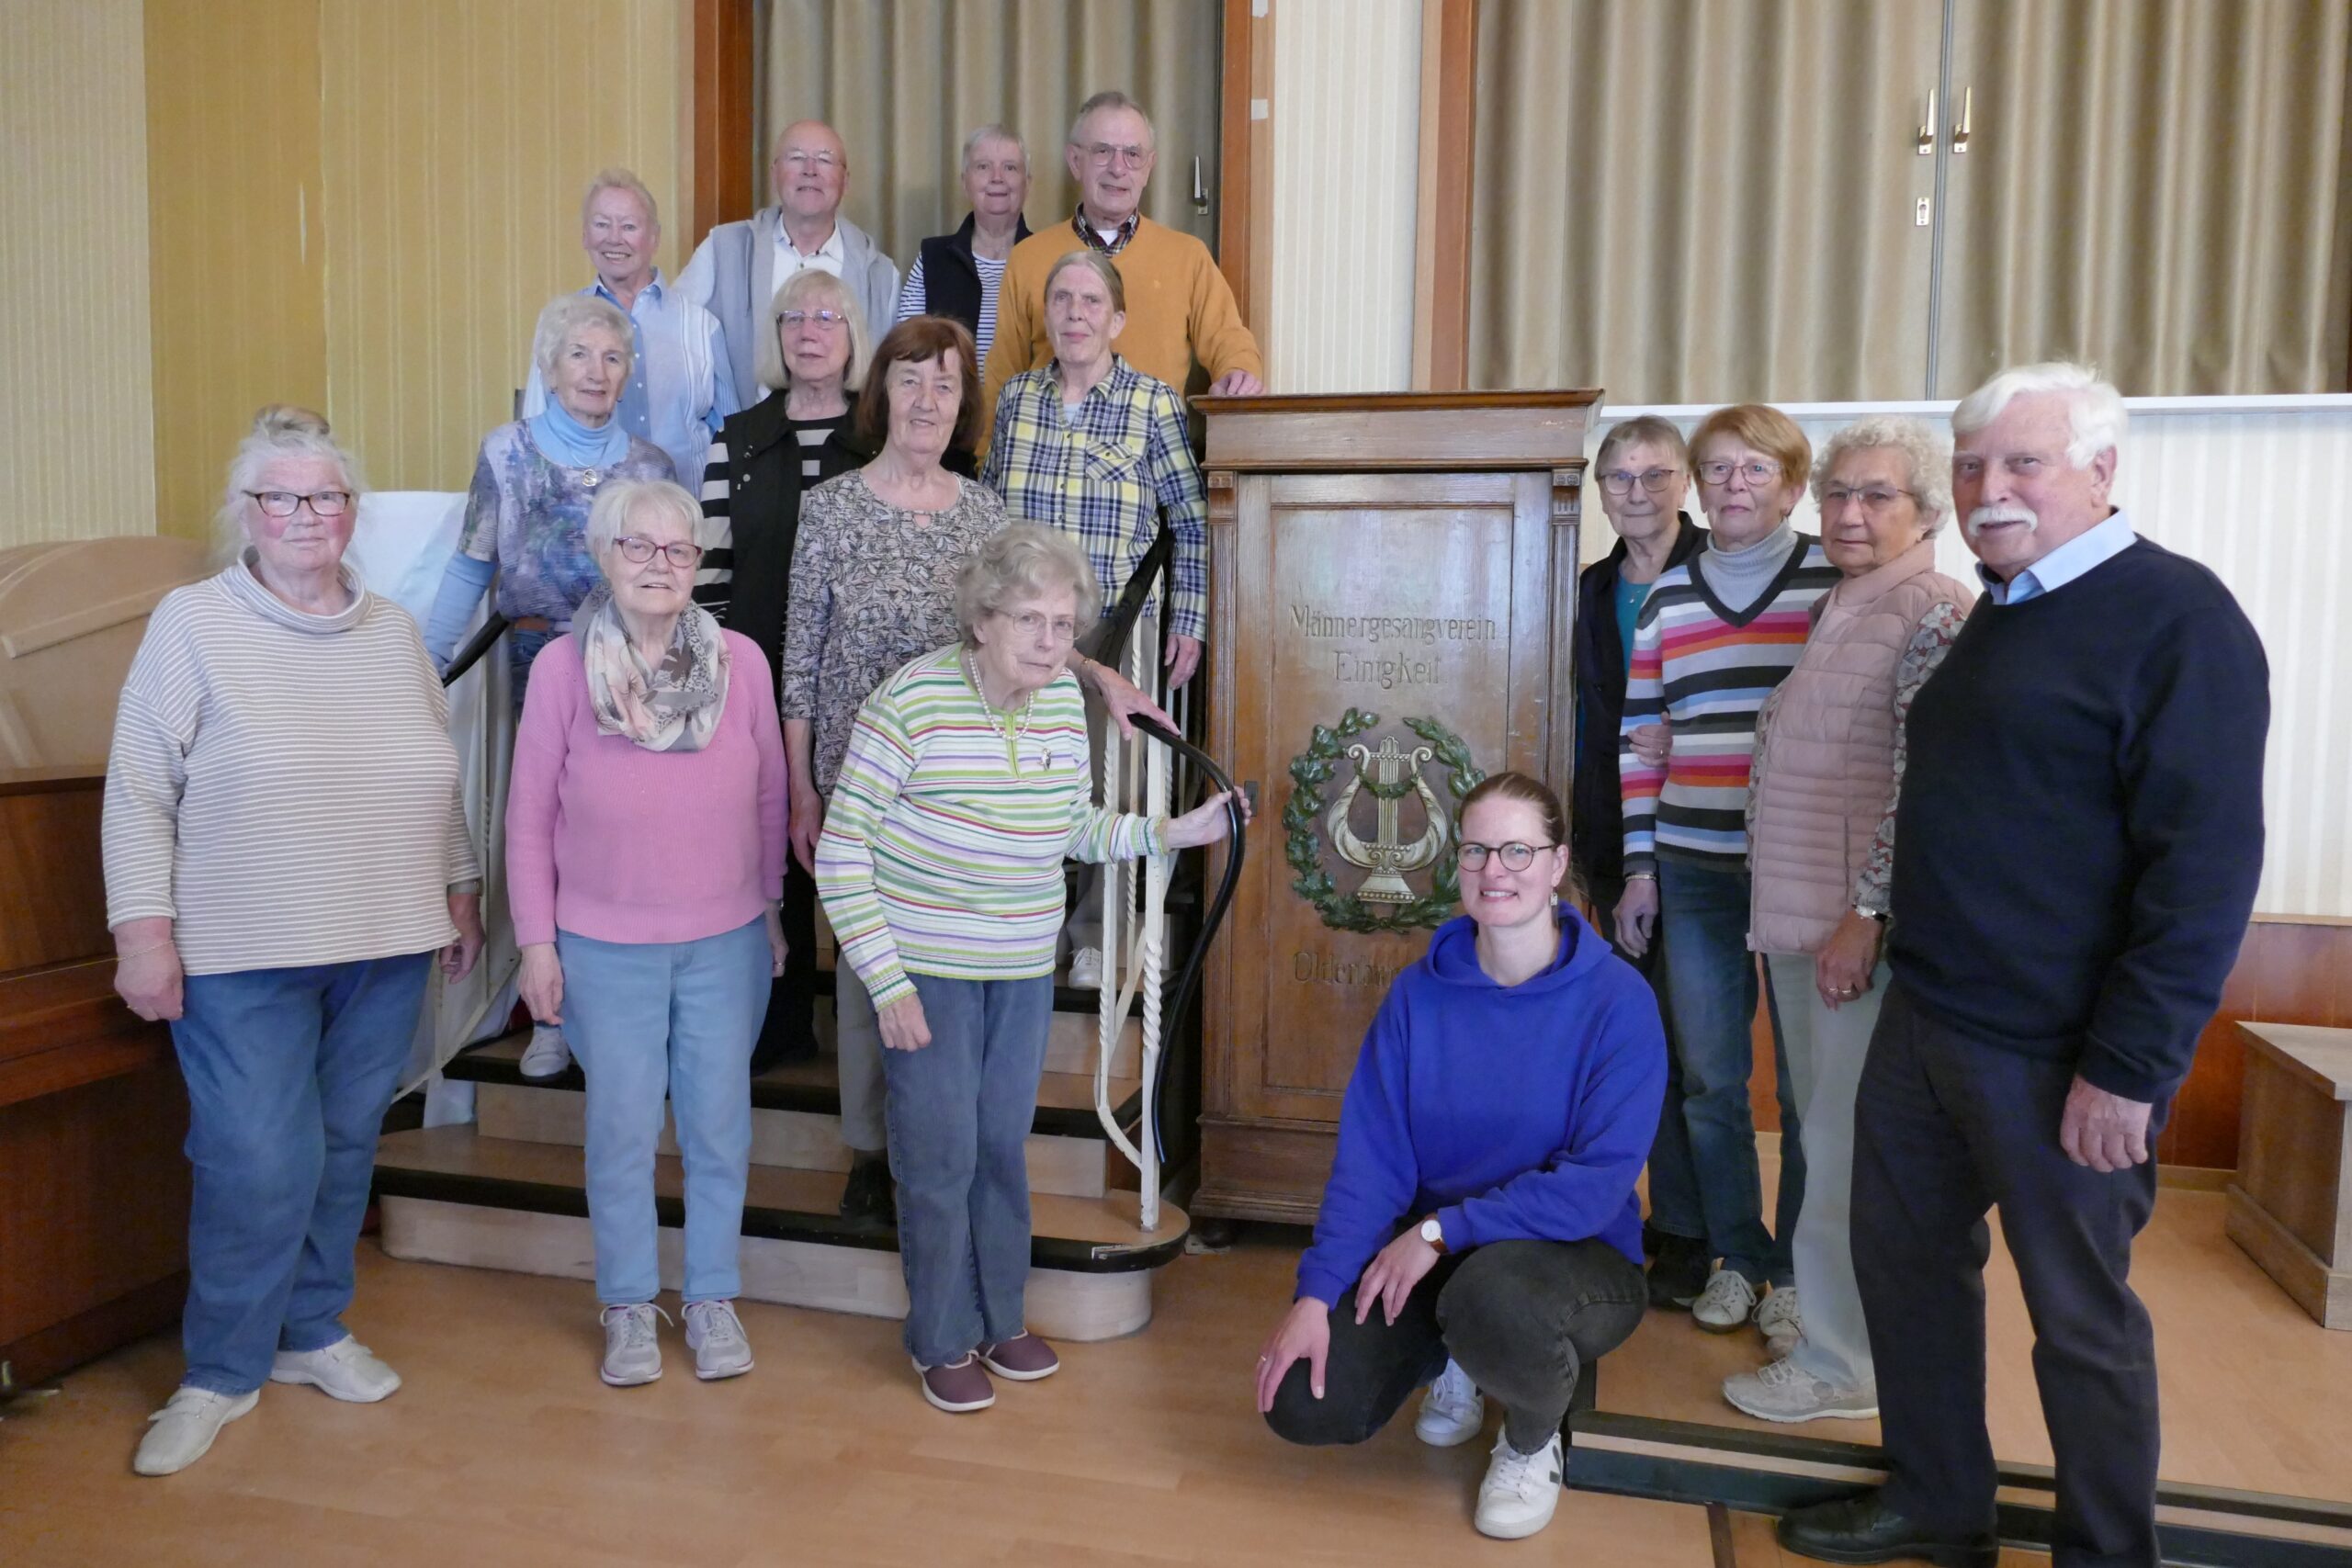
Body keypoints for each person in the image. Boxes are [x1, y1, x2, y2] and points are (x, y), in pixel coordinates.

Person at [1779, 366, 2268, 1568]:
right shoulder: (2005, 604)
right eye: (1973, 465)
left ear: (2101, 471)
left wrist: (2131, 1067)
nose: (1990, 489)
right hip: (1931, 1017)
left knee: (2081, 1322)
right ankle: (1940, 1498)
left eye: (2023, 462)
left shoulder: (2179, 621)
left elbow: (2202, 873)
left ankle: (2108, 1550)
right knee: (1905, 1268)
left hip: (2064, 1058)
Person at [102, 407, 484, 1477]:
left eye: (324, 495)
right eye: (282, 495)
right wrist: (142, 932)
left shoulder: (393, 631)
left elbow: (432, 770)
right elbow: (138, 792)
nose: (305, 514)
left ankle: (311, 1329)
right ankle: (221, 1369)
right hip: (241, 947)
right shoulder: (192, 623)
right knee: (256, 1157)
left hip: (385, 940)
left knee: (344, 1145)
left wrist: (457, 885)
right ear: (248, 513)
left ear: (350, 514)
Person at [814, 523, 1246, 1416]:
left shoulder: (1057, 705)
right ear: (980, 618)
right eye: (1031, 621)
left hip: (1018, 972)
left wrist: (1173, 833)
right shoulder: (910, 703)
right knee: (936, 1160)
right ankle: (940, 1336)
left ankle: (1001, 1317)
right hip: (924, 971)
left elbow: (1072, 829)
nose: (1051, 642)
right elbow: (842, 851)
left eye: (1063, 624)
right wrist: (886, 984)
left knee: (999, 1153)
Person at [786, 316, 1167, 1227]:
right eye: (912, 380)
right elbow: (800, 654)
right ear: (882, 394)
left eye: (948, 384)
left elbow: (1029, 621)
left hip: (965, 778)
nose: (928, 399)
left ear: (963, 405)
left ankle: (942, 1156)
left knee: (950, 985)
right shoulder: (831, 507)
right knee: (869, 976)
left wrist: (1098, 671)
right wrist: (799, 785)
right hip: (862, 771)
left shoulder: (984, 513)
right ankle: (872, 1151)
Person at [1255, 772, 1661, 1542]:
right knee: (1306, 1402)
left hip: (1573, 1258)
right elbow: (1370, 1163)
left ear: (1555, 863)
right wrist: (1315, 1295)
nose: (1494, 869)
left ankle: (1532, 1436)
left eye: (1518, 849)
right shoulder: (1418, 995)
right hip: (1444, 1247)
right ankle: (1458, 1357)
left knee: (1493, 1298)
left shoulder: (1618, 1001)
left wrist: (1439, 1232)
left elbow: (1590, 1189)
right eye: (1477, 849)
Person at [504, 478, 788, 1390]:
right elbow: (526, 818)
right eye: (639, 546)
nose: (659, 565)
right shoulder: (560, 669)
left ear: (696, 564)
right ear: (603, 556)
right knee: (620, 1134)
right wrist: (537, 944)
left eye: (677, 550)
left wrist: (775, 912)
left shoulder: (742, 660)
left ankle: (710, 1298)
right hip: (601, 945)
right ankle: (628, 1306)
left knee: (717, 1130)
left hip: (728, 939)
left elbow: (770, 797)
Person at [1721, 416, 1970, 1427]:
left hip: (1848, 934)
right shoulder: (1842, 605)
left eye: (1878, 496)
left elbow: (1924, 785)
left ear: (1927, 513)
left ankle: (1843, 1367)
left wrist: (1867, 911)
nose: (1851, 513)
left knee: (1844, 1152)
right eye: (1838, 494)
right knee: (1823, 1147)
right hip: (1797, 923)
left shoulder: (1933, 610)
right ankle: (1831, 1336)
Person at [1613, 404, 1838, 1342]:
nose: (1733, 485)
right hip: (1691, 867)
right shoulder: (1668, 598)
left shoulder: (1836, 581)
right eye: (1717, 471)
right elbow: (1639, 745)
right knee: (1709, 1077)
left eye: (1755, 470)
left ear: (1791, 484)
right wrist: (1638, 871)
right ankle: (1737, 1258)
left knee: (1805, 1091)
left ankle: (1796, 1274)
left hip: (1802, 876)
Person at [427, 292, 673, 1081]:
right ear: (549, 367)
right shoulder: (506, 454)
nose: (595, 372)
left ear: (627, 372)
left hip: (633, 677)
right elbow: (470, 566)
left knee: (624, 841)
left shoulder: (651, 467)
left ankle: (626, 1009)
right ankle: (550, 1013)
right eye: (579, 355)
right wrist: (422, 669)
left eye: (611, 357)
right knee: (546, 839)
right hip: (536, 669)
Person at [982, 248, 1209, 987]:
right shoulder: (1016, 399)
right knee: (1018, 779)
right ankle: (1026, 923)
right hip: (1016, 629)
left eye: (1090, 301)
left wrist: (1191, 617)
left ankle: (1095, 937)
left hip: (1114, 627)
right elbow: (986, 512)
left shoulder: (1153, 403)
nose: (1075, 313)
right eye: (1062, 300)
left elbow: (1192, 520)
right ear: (1044, 316)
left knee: (1115, 787)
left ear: (1117, 318)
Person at [695, 268, 875, 1069]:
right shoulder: (735, 439)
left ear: (852, 335)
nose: (810, 329)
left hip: (864, 680)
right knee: (769, 840)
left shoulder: (880, 434)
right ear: (775, 336)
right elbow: (708, 578)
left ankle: (870, 1039)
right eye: (794, 316)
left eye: (828, 316)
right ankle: (781, 1022)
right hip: (755, 672)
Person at [1571, 414, 1710, 1310]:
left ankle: (1701, 1234)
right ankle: (1655, 1221)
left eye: (1653, 475)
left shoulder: (1723, 571)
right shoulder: (1590, 587)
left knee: (1700, 1052)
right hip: (1613, 842)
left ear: (1685, 482)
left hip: (1707, 840)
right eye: (1617, 478)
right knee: (1636, 1043)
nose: (1635, 493)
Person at [980, 91, 1264, 437]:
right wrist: (988, 466)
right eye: (1102, 151)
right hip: (1048, 466)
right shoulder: (1027, 257)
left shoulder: (1188, 257)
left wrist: (1238, 373)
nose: (1118, 168)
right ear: (1074, 161)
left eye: (1133, 154)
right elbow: (1001, 376)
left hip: (1153, 463)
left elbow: (1229, 342)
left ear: (1149, 168)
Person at [521, 168, 738, 491]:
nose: (614, 238)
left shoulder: (702, 325)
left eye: (629, 226)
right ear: (584, 235)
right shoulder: (558, 323)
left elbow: (731, 439)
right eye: (601, 224)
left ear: (654, 237)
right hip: (585, 522)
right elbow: (535, 431)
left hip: (681, 523)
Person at [679, 119, 899, 411]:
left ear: (845, 181)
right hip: (742, 443)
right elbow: (677, 340)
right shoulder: (723, 249)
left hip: (848, 447)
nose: (810, 170)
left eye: (824, 160)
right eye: (796, 158)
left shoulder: (880, 274)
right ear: (774, 174)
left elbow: (895, 375)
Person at [893, 125, 1032, 366]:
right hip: (948, 403)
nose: (996, 177)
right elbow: (907, 350)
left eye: (1010, 167)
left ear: (1026, 183)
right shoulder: (932, 258)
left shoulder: (1046, 257)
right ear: (965, 182)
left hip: (1026, 403)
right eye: (983, 167)